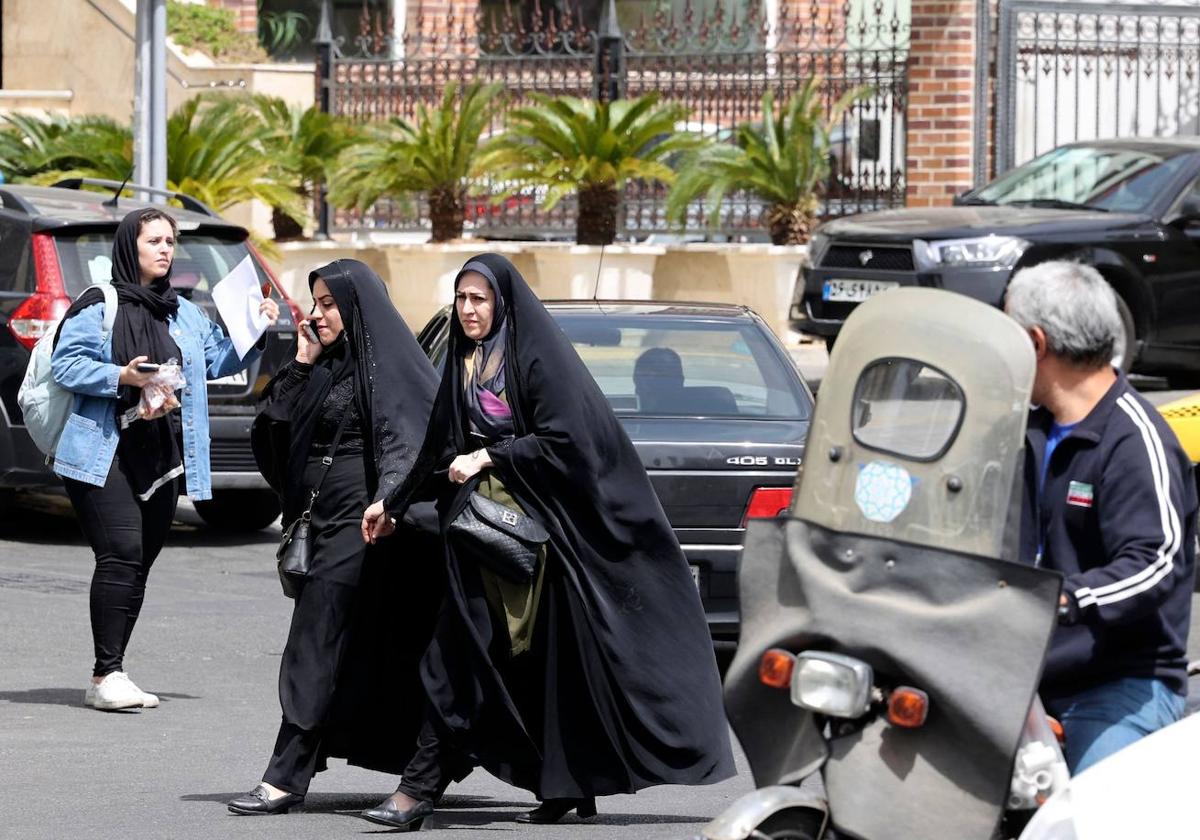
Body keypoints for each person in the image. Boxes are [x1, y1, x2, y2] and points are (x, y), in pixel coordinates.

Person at [359, 253, 734, 830]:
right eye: (461, 299)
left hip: (539, 541)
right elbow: (437, 445)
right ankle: (566, 787)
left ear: (503, 302)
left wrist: (491, 454)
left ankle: (418, 790)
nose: (468, 310)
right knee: (504, 662)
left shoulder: (533, 359)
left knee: (458, 656)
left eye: (479, 299)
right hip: (478, 537)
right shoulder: (465, 359)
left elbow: (567, 440)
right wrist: (395, 502)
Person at [228, 259, 447, 815]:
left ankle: (284, 776)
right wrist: (301, 362)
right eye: (315, 304)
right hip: (319, 522)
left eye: (329, 305)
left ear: (355, 307)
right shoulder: (324, 366)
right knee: (339, 649)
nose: (318, 315)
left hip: (364, 527)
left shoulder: (390, 370)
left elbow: (413, 444)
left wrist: (390, 497)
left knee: (312, 643)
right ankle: (426, 766)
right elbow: (272, 431)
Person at [51, 208, 278, 712]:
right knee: (121, 555)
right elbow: (67, 364)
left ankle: (112, 670)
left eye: (170, 241)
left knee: (139, 565)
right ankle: (105, 673)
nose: (165, 249)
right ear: (130, 246)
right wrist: (123, 377)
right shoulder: (100, 304)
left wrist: (253, 330)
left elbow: (219, 360)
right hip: (102, 449)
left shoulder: (183, 312)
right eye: (153, 240)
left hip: (162, 454)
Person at [1006, 260, 1196, 775]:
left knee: (1088, 818)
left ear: (1037, 342)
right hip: (1013, 668)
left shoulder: (1135, 438)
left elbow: (1157, 560)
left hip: (1119, 684)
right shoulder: (1023, 426)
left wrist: (1069, 598)